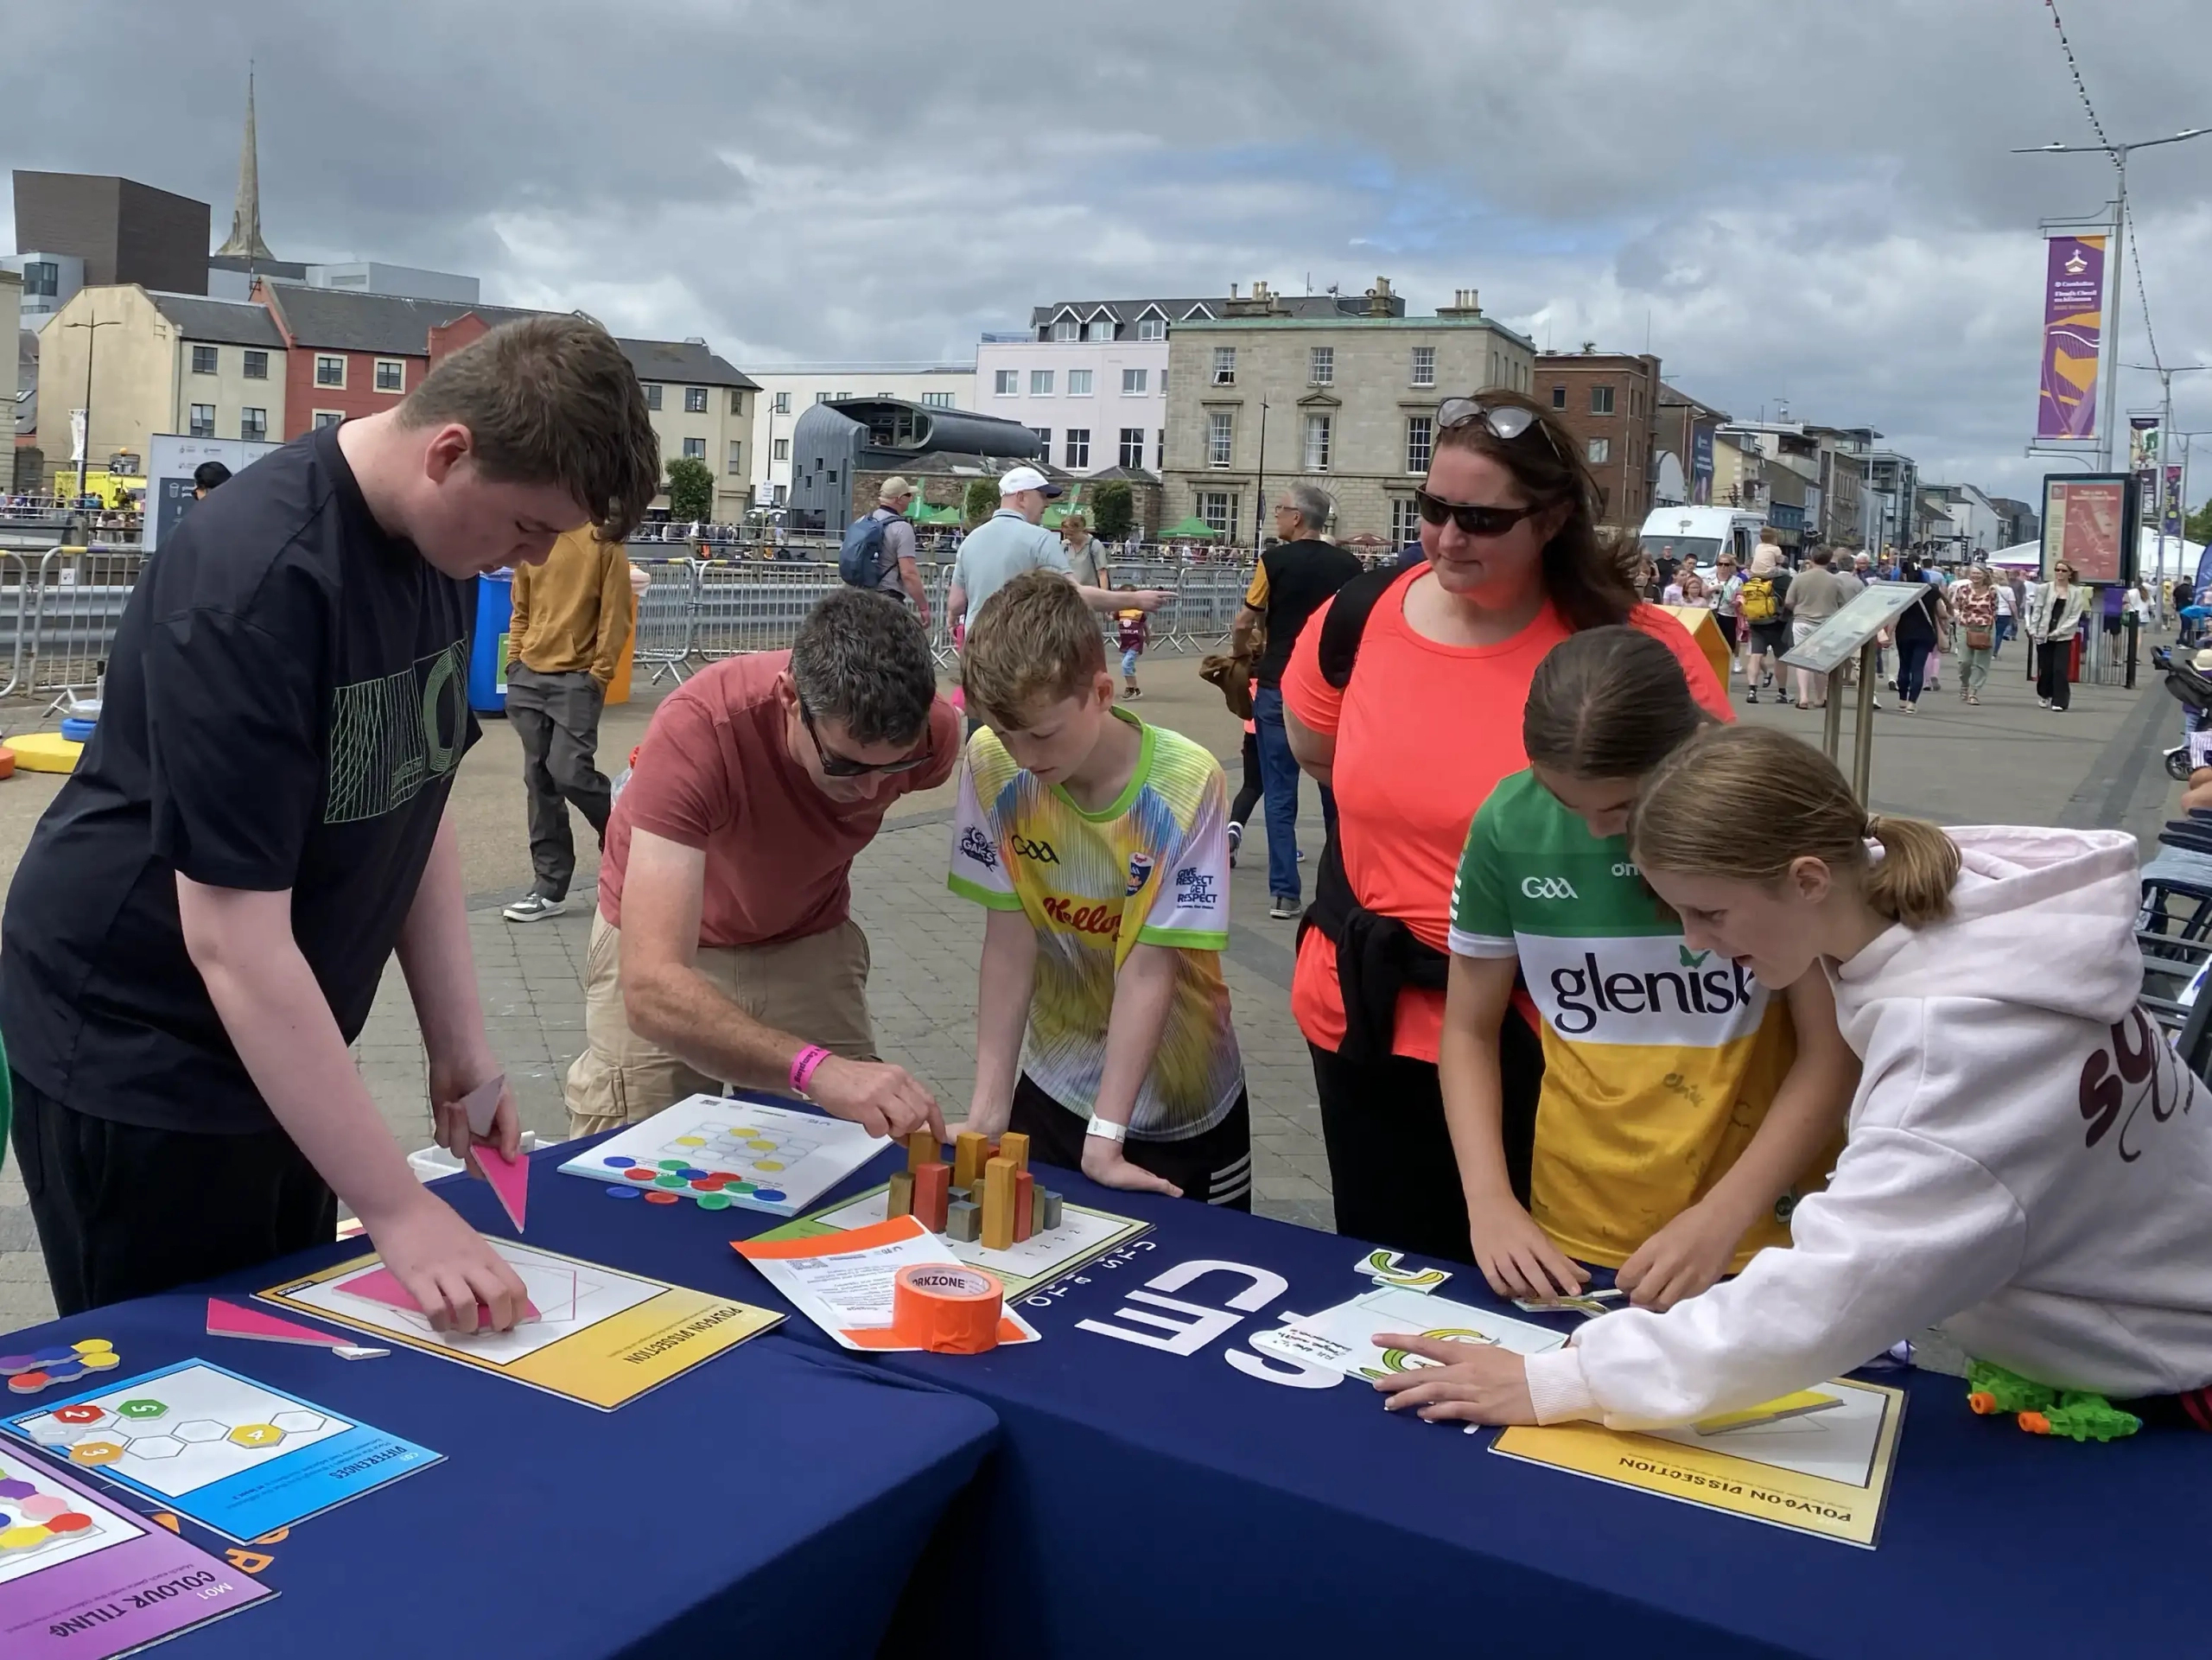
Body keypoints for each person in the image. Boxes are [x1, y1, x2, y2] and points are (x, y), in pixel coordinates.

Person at [0, 315, 662, 1326]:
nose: (530, 560)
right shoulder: (256, 582)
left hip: (284, 1045)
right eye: (529, 527)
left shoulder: (440, 551)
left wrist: (460, 1045)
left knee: (295, 1343)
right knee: (197, 1371)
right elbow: (231, 940)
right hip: (144, 1048)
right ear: (449, 452)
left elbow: (415, 798)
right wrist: (395, 1207)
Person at [1372, 724, 2212, 1434]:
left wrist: (1561, 1381)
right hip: (2133, 1327)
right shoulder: (1962, 916)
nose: (1694, 941)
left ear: (1808, 878)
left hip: (2169, 1373)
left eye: (1710, 911)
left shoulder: (1955, 1047)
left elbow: (1833, 1294)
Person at [1279, 391, 1729, 1264]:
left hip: (1568, 1028)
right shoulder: (1359, 617)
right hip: (1370, 1010)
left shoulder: (1630, 648)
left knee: (1555, 1278)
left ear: (1552, 520)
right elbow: (1317, 753)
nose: (1448, 538)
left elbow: (1711, 816)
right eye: (1434, 508)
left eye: (1482, 519)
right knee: (1391, 1273)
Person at [1442, 628, 1853, 1311]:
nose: (1597, 830)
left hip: (1761, 1226)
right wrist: (1489, 1199)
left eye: (1623, 808)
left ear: (1686, 747)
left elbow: (1833, 1047)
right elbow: (1467, 1028)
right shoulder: (1509, 823)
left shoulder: (1761, 810)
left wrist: (1724, 1215)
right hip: (1574, 1220)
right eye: (1565, 802)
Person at [566, 588, 956, 1140]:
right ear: (790, 698)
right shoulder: (699, 731)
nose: (872, 789)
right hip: (674, 944)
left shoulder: (932, 738)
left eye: (895, 767)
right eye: (846, 766)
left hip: (803, 936)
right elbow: (653, 985)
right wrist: (814, 1068)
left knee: (851, 1144)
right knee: (635, 1147)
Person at [950, 570, 1250, 1204]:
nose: (1024, 756)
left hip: (1182, 1098)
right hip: (1055, 1082)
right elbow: (1009, 941)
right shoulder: (989, 762)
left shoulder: (1186, 781)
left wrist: (1107, 1135)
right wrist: (987, 1111)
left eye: (1042, 734)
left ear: (1102, 692)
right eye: (1004, 733)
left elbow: (1149, 964)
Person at [1233, 484, 1362, 921]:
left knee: (1279, 791)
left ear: (1298, 517)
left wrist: (1240, 652)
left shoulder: (1273, 561)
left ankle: (1284, 893)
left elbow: (1245, 619)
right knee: (1334, 790)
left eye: (1281, 509)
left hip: (1278, 681)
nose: (1277, 516)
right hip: (1328, 686)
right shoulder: (1350, 566)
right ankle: (1339, 887)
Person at [501, 528, 635, 923]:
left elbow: (616, 615)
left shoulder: (604, 542)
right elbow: (521, 606)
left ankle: (623, 832)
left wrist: (599, 674)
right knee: (539, 779)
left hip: (577, 680)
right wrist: (515, 662)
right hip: (529, 676)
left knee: (570, 772)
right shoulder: (535, 534)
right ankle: (549, 887)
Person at [946, 467, 1165, 635]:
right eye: (1042, 496)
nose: (1047, 504)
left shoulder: (970, 541)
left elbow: (956, 603)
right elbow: (1075, 594)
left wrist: (952, 618)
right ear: (1021, 497)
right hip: (1019, 646)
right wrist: (1134, 599)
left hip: (977, 645)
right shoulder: (1041, 539)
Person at [840, 477, 926, 614]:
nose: (911, 499)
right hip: (886, 599)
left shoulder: (862, 520)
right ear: (899, 499)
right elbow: (908, 573)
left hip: (856, 597)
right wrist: (923, 607)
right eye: (909, 495)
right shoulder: (902, 528)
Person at [1782, 546, 1850, 709]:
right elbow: (1843, 603)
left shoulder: (1799, 578)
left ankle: (1803, 697)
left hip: (1802, 621)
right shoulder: (1835, 580)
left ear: (1811, 558)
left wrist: (1799, 608)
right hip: (1826, 623)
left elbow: (1789, 601)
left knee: (1802, 659)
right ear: (1830, 560)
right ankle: (1820, 697)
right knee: (1821, 661)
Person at [2025, 560, 2088, 713]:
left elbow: (2074, 616)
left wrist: (2059, 631)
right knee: (2046, 668)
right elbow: (2038, 610)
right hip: (2043, 633)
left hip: (2063, 636)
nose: (2060, 573)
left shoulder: (2076, 592)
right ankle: (2045, 693)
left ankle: (2060, 701)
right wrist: (2033, 629)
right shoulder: (2044, 588)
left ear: (2070, 574)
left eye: (2063, 571)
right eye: (2057, 570)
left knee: (2060, 669)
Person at [1891, 558, 1948, 713]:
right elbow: (1942, 614)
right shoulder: (1932, 590)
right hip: (1926, 634)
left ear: (1904, 575)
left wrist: (1889, 633)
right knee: (1918, 668)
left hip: (1904, 633)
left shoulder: (1902, 591)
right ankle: (1912, 703)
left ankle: (1902, 699)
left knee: (1904, 666)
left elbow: (1895, 616)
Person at [1736, 545, 1790, 703]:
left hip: (1756, 622)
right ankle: (1782, 693)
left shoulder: (1753, 579)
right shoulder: (1785, 580)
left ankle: (1752, 691)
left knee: (1756, 655)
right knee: (1780, 658)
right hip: (1779, 622)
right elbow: (1790, 601)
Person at [1951, 563, 1999, 707]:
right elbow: (1955, 606)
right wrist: (1957, 616)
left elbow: (1995, 609)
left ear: (1985, 575)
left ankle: (1974, 692)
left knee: (1981, 662)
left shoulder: (1992, 591)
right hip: (1965, 626)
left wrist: (1988, 624)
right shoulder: (1963, 589)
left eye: (1979, 573)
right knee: (1964, 661)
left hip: (1985, 628)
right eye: (1973, 573)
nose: (1976, 576)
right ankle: (1964, 683)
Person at [1228, 716, 1261, 868]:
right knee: (1282, 793)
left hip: (1253, 727)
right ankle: (1285, 848)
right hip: (1282, 728)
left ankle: (1233, 829)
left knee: (1250, 787)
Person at [1709, 550, 1743, 665]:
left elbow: (1741, 596)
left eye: (1726, 564)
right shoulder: (1709, 578)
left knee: (1729, 641)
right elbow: (1702, 594)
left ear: (1731, 566)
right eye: (1720, 564)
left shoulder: (1737, 581)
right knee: (1713, 641)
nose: (1723, 567)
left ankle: (1728, 663)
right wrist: (1712, 589)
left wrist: (1737, 602)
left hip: (1729, 614)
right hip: (1712, 613)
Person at [1115, 585, 1147, 698]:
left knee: (1126, 665)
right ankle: (1136, 690)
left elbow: (1144, 625)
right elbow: (1110, 618)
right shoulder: (1120, 611)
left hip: (1136, 643)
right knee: (1130, 666)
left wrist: (1148, 636)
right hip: (1125, 644)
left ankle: (1130, 689)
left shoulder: (1138, 612)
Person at [1060, 512, 1106, 588]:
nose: (1068, 537)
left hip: (1091, 592)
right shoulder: (1064, 545)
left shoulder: (1094, 545)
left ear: (1081, 530)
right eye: (1066, 534)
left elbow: (1102, 573)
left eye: (1071, 534)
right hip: (1069, 592)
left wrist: (1104, 594)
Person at [1992, 565, 2017, 656]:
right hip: (2005, 613)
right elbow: (2012, 604)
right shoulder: (2009, 590)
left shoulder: (1991, 588)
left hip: (1993, 612)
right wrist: (2016, 616)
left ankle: (1988, 650)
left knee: (1991, 633)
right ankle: (1994, 653)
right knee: (1999, 634)